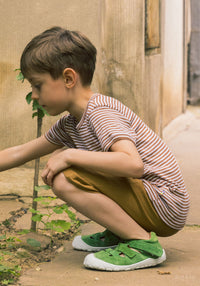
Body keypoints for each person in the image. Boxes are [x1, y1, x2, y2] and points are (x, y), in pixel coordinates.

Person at [0, 27, 190, 271]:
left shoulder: (100, 112)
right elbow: (20, 152)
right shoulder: (71, 123)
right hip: (154, 200)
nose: (34, 96)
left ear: (69, 79)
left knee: (64, 176)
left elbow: (133, 164)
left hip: (165, 203)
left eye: (38, 85)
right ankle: (120, 232)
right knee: (71, 161)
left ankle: (143, 244)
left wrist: (69, 155)